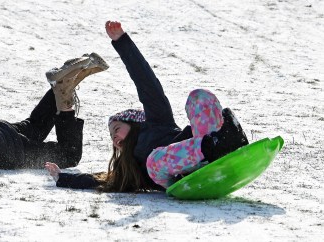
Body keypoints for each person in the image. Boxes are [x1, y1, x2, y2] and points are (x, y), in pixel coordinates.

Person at [44, 21, 249, 192]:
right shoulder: (130, 165)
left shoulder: (158, 122)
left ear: (134, 123)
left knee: (197, 96)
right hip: (177, 176)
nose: (114, 138)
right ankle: (214, 145)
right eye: (112, 137)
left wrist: (122, 42)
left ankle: (222, 143)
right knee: (155, 160)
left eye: (116, 129)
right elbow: (104, 180)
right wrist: (64, 178)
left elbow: (146, 83)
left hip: (206, 157)